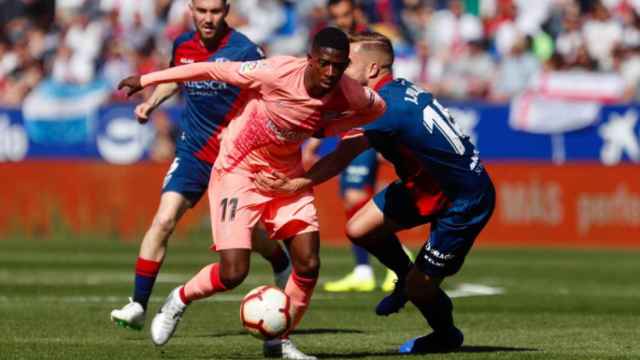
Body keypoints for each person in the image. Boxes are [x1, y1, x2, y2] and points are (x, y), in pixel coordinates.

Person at [118, 27, 386, 359]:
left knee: (308, 263)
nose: (330, 73)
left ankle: (278, 341)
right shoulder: (275, 71)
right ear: (310, 59)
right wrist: (147, 80)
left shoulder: (350, 93)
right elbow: (210, 68)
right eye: (323, 63)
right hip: (238, 170)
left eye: (338, 65)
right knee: (233, 272)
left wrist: (329, 128)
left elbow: (376, 112)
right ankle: (178, 300)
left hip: (286, 177)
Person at [255, 32, 495, 354]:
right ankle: (404, 276)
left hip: (464, 199)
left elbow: (340, 153)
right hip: (425, 184)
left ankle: (445, 333)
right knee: (359, 228)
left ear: (371, 70)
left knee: (421, 289)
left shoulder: (382, 107)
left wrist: (299, 182)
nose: (338, 72)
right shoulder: (394, 92)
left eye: (347, 64)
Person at [109, 0, 291, 332]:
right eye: (202, 11)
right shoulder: (182, 44)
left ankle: (279, 258)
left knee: (246, 233)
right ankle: (137, 304)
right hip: (194, 151)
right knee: (163, 219)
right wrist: (151, 103)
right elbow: (177, 77)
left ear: (227, 10)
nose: (208, 18)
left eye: (215, 11)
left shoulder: (245, 49)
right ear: (191, 9)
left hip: (235, 158)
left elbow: (268, 95)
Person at [307, 0, 402, 293]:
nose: (342, 21)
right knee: (352, 198)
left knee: (356, 194)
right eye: (336, 16)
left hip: (368, 124)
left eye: (346, 15)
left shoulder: (366, 46)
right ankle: (364, 268)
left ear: (356, 14)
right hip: (345, 126)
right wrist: (313, 138)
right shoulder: (330, 47)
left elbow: (383, 86)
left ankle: (395, 261)